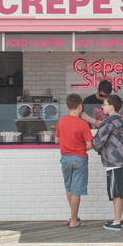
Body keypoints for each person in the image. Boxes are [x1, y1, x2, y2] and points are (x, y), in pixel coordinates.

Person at [92, 94, 123, 231]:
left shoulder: (108, 121)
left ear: (111, 106)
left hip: (113, 161)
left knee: (115, 192)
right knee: (121, 192)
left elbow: (98, 141)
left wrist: (92, 144)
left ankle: (116, 222)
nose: (102, 106)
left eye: (104, 104)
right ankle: (118, 218)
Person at [55, 94, 93, 229]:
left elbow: (57, 140)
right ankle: (74, 220)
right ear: (80, 106)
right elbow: (89, 145)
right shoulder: (83, 124)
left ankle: (73, 217)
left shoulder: (61, 121)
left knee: (69, 188)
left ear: (67, 106)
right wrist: (79, 148)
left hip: (65, 159)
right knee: (76, 190)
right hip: (79, 159)